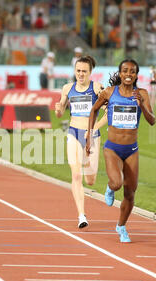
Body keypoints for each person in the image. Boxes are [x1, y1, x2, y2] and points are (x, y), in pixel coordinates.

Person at [86, 59, 156, 242]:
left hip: (132, 149)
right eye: (125, 71)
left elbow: (152, 120)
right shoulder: (109, 92)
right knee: (117, 183)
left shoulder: (142, 94)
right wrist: (88, 135)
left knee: (130, 193)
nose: (128, 74)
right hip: (113, 148)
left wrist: (141, 105)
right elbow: (93, 111)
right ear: (119, 73)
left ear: (136, 75)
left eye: (132, 71)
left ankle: (121, 226)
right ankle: (110, 188)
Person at [55, 55, 107, 229]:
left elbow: (108, 114)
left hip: (92, 135)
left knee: (90, 180)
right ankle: (81, 216)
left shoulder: (98, 88)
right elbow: (60, 112)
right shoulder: (67, 88)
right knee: (76, 175)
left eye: (84, 71)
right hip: (73, 133)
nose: (81, 74)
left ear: (90, 72)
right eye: (78, 71)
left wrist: (92, 130)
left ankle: (91, 173)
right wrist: (58, 109)